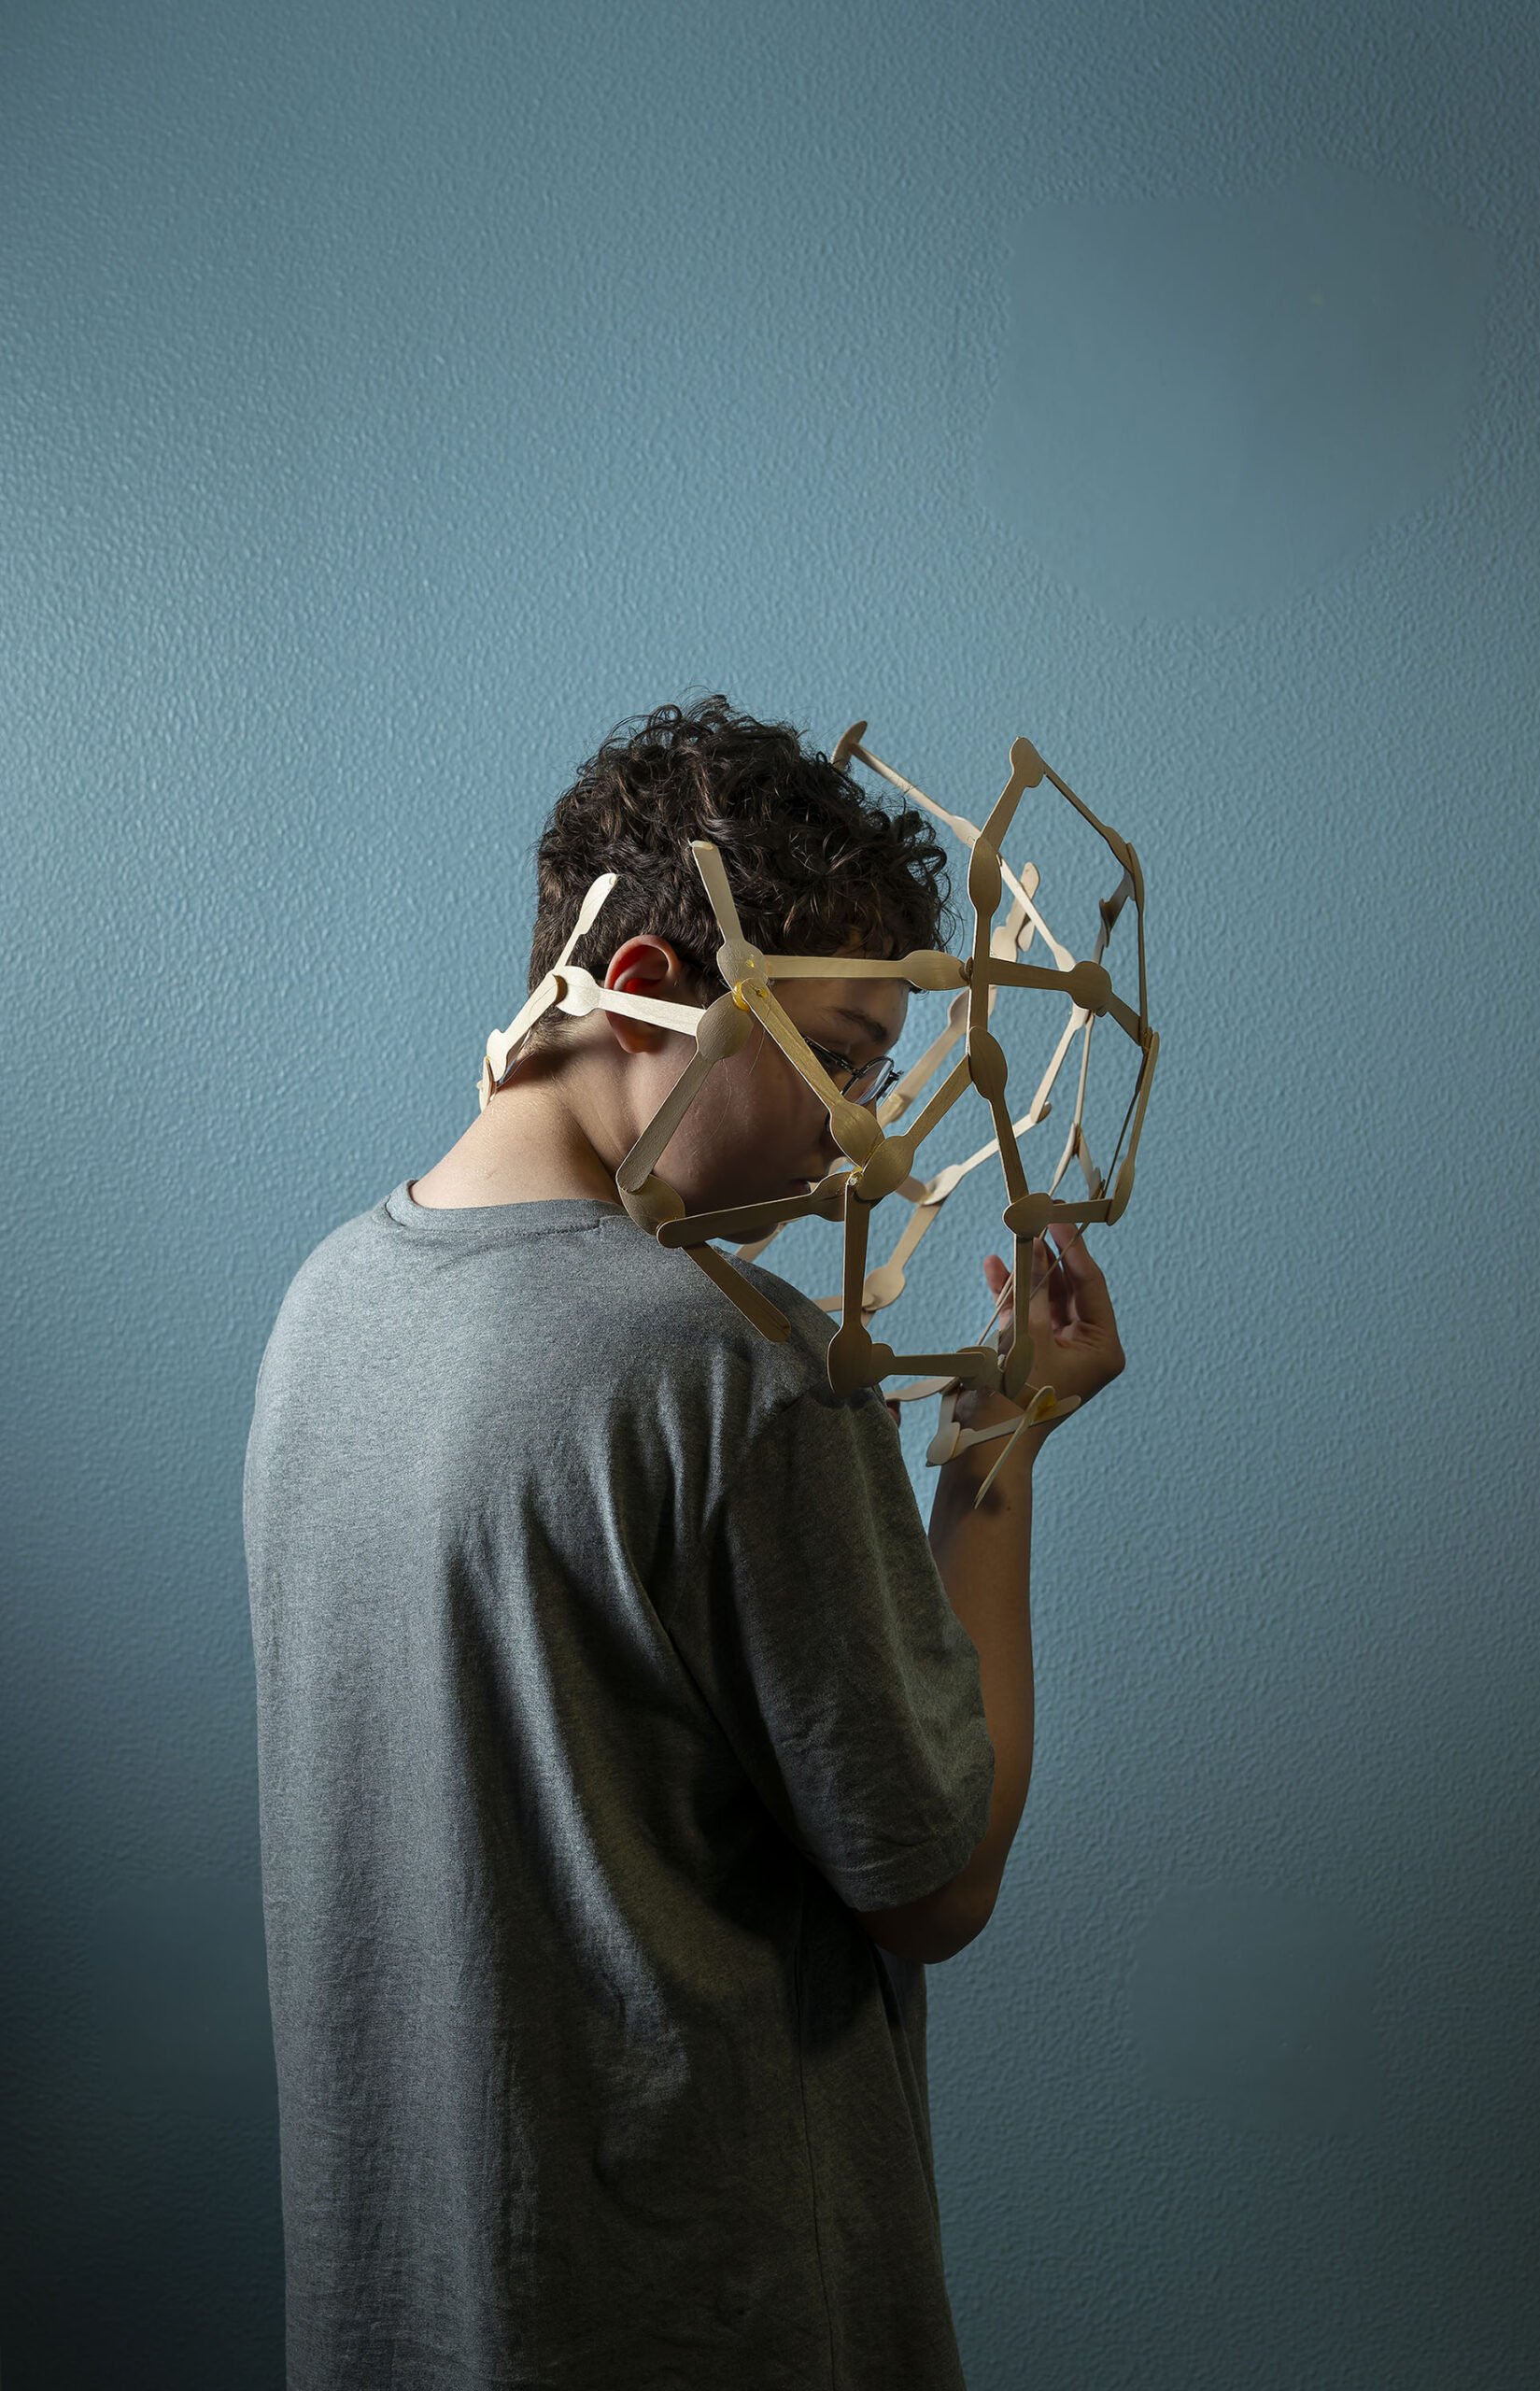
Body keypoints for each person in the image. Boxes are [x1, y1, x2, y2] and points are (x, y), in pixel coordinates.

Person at [245, 695, 1126, 2391]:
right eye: (846, 1061)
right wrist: (997, 1455)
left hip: (406, 2314)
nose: (864, 1135)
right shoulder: (736, 1370)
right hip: (706, 2322)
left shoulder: (325, 1309)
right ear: (644, 990)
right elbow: (933, 1878)